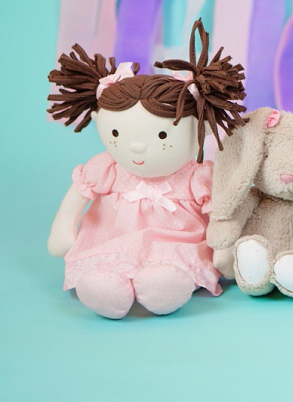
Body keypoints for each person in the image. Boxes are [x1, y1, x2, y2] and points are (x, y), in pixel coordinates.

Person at [47, 20, 246, 318]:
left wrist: (224, 248)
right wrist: (63, 226)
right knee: (104, 269)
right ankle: (104, 284)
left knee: (165, 275)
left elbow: (218, 213)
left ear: (199, 127)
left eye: (163, 135)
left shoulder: (196, 175)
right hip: (112, 239)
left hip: (177, 245)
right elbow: (76, 198)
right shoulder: (107, 168)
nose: (137, 149)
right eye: (116, 134)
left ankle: (166, 283)